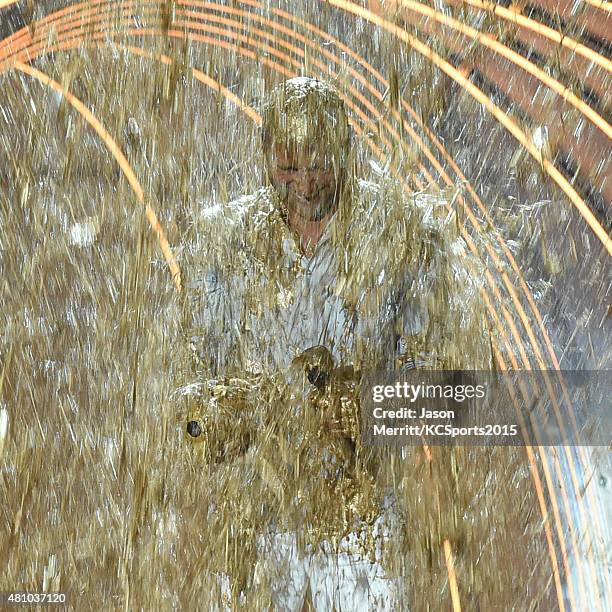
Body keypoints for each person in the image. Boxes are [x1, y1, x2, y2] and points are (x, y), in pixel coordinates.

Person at [181, 77, 492, 610]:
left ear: (347, 152)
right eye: (288, 165)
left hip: (363, 524)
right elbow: (190, 381)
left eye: (321, 164)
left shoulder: (402, 234)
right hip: (258, 520)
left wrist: (370, 405)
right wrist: (214, 416)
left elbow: (459, 390)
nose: (304, 184)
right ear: (263, 157)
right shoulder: (223, 241)